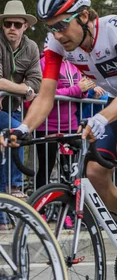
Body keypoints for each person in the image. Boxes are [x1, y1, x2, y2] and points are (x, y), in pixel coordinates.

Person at [9, 0, 117, 265]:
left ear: (84, 16)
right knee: (95, 172)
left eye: (62, 25)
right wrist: (23, 128)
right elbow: (46, 95)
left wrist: (100, 117)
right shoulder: (56, 44)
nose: (57, 35)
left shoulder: (116, 30)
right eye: (51, 28)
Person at [0, 0, 42, 202]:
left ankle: (4, 215)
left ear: (25, 26)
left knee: (11, 141)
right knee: (19, 131)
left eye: (17, 24)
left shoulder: (31, 47)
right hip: (5, 109)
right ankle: (15, 185)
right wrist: (24, 89)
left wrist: (12, 90)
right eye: (8, 24)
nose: (12, 28)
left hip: (13, 107)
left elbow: (37, 81)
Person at [33, 55, 92, 189]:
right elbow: (44, 93)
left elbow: (81, 93)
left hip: (70, 124)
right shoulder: (44, 63)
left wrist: (85, 90)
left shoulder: (74, 64)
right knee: (46, 167)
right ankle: (38, 207)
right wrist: (77, 89)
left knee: (71, 170)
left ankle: (69, 206)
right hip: (46, 125)